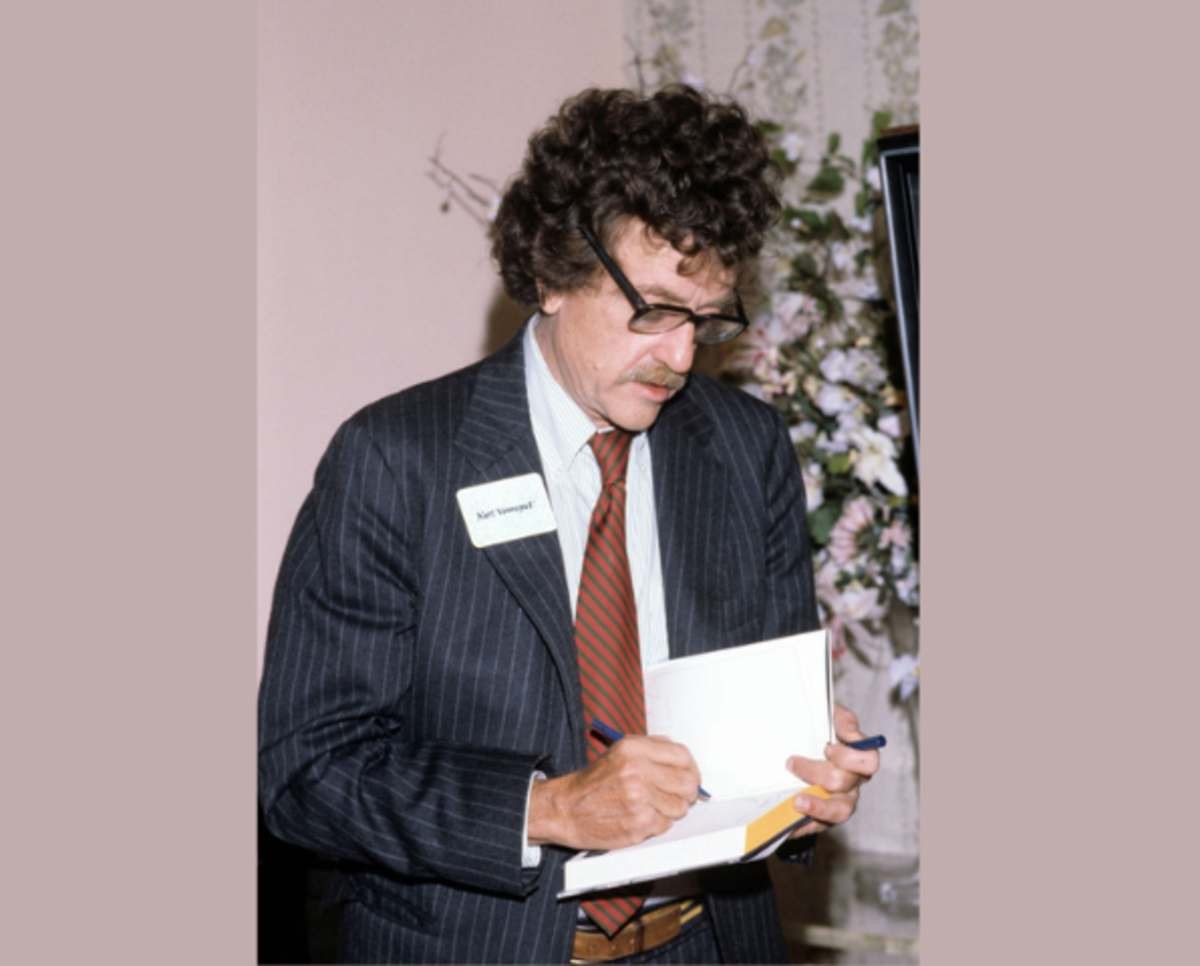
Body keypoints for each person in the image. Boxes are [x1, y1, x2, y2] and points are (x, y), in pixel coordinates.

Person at [258, 85, 880, 964]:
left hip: (708, 944)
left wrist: (810, 778)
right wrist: (547, 809)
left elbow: (766, 722)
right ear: (552, 273)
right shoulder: (398, 461)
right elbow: (305, 773)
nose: (681, 356)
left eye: (707, 319)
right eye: (655, 309)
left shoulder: (746, 449)